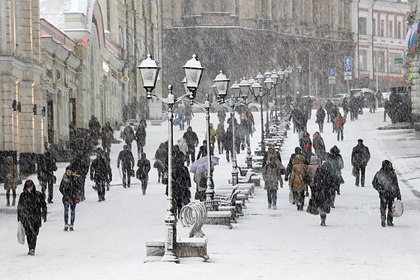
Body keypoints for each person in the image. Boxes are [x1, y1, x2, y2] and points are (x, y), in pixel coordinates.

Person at [17, 180, 47, 255]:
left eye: (30, 187)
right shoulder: (23, 196)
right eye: (28, 188)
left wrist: (44, 214)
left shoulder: (38, 194)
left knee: (34, 233)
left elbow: (43, 205)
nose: (29, 189)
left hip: (36, 216)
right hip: (26, 217)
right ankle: (30, 247)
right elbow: (20, 207)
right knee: (28, 234)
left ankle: (32, 248)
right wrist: (19, 217)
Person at [372, 160, 402, 227]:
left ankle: (383, 217)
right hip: (391, 193)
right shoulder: (392, 174)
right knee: (390, 207)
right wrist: (398, 195)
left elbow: (374, 183)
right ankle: (389, 221)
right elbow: (396, 185)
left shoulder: (379, 174)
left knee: (383, 206)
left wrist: (380, 189)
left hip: (383, 194)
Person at [59, 167, 81, 231]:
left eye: (69, 171)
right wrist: (64, 194)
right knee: (66, 211)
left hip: (73, 197)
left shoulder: (75, 178)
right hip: (66, 197)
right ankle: (66, 224)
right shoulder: (64, 179)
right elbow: (60, 188)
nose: (68, 172)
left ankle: (71, 224)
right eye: (67, 171)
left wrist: (75, 193)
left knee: (72, 211)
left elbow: (79, 187)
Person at [172, 152, 191, 217]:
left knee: (176, 201)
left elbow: (173, 178)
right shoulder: (184, 169)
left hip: (176, 188)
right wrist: (188, 185)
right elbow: (188, 177)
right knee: (181, 201)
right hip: (182, 187)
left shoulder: (174, 169)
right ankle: (180, 212)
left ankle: (176, 212)